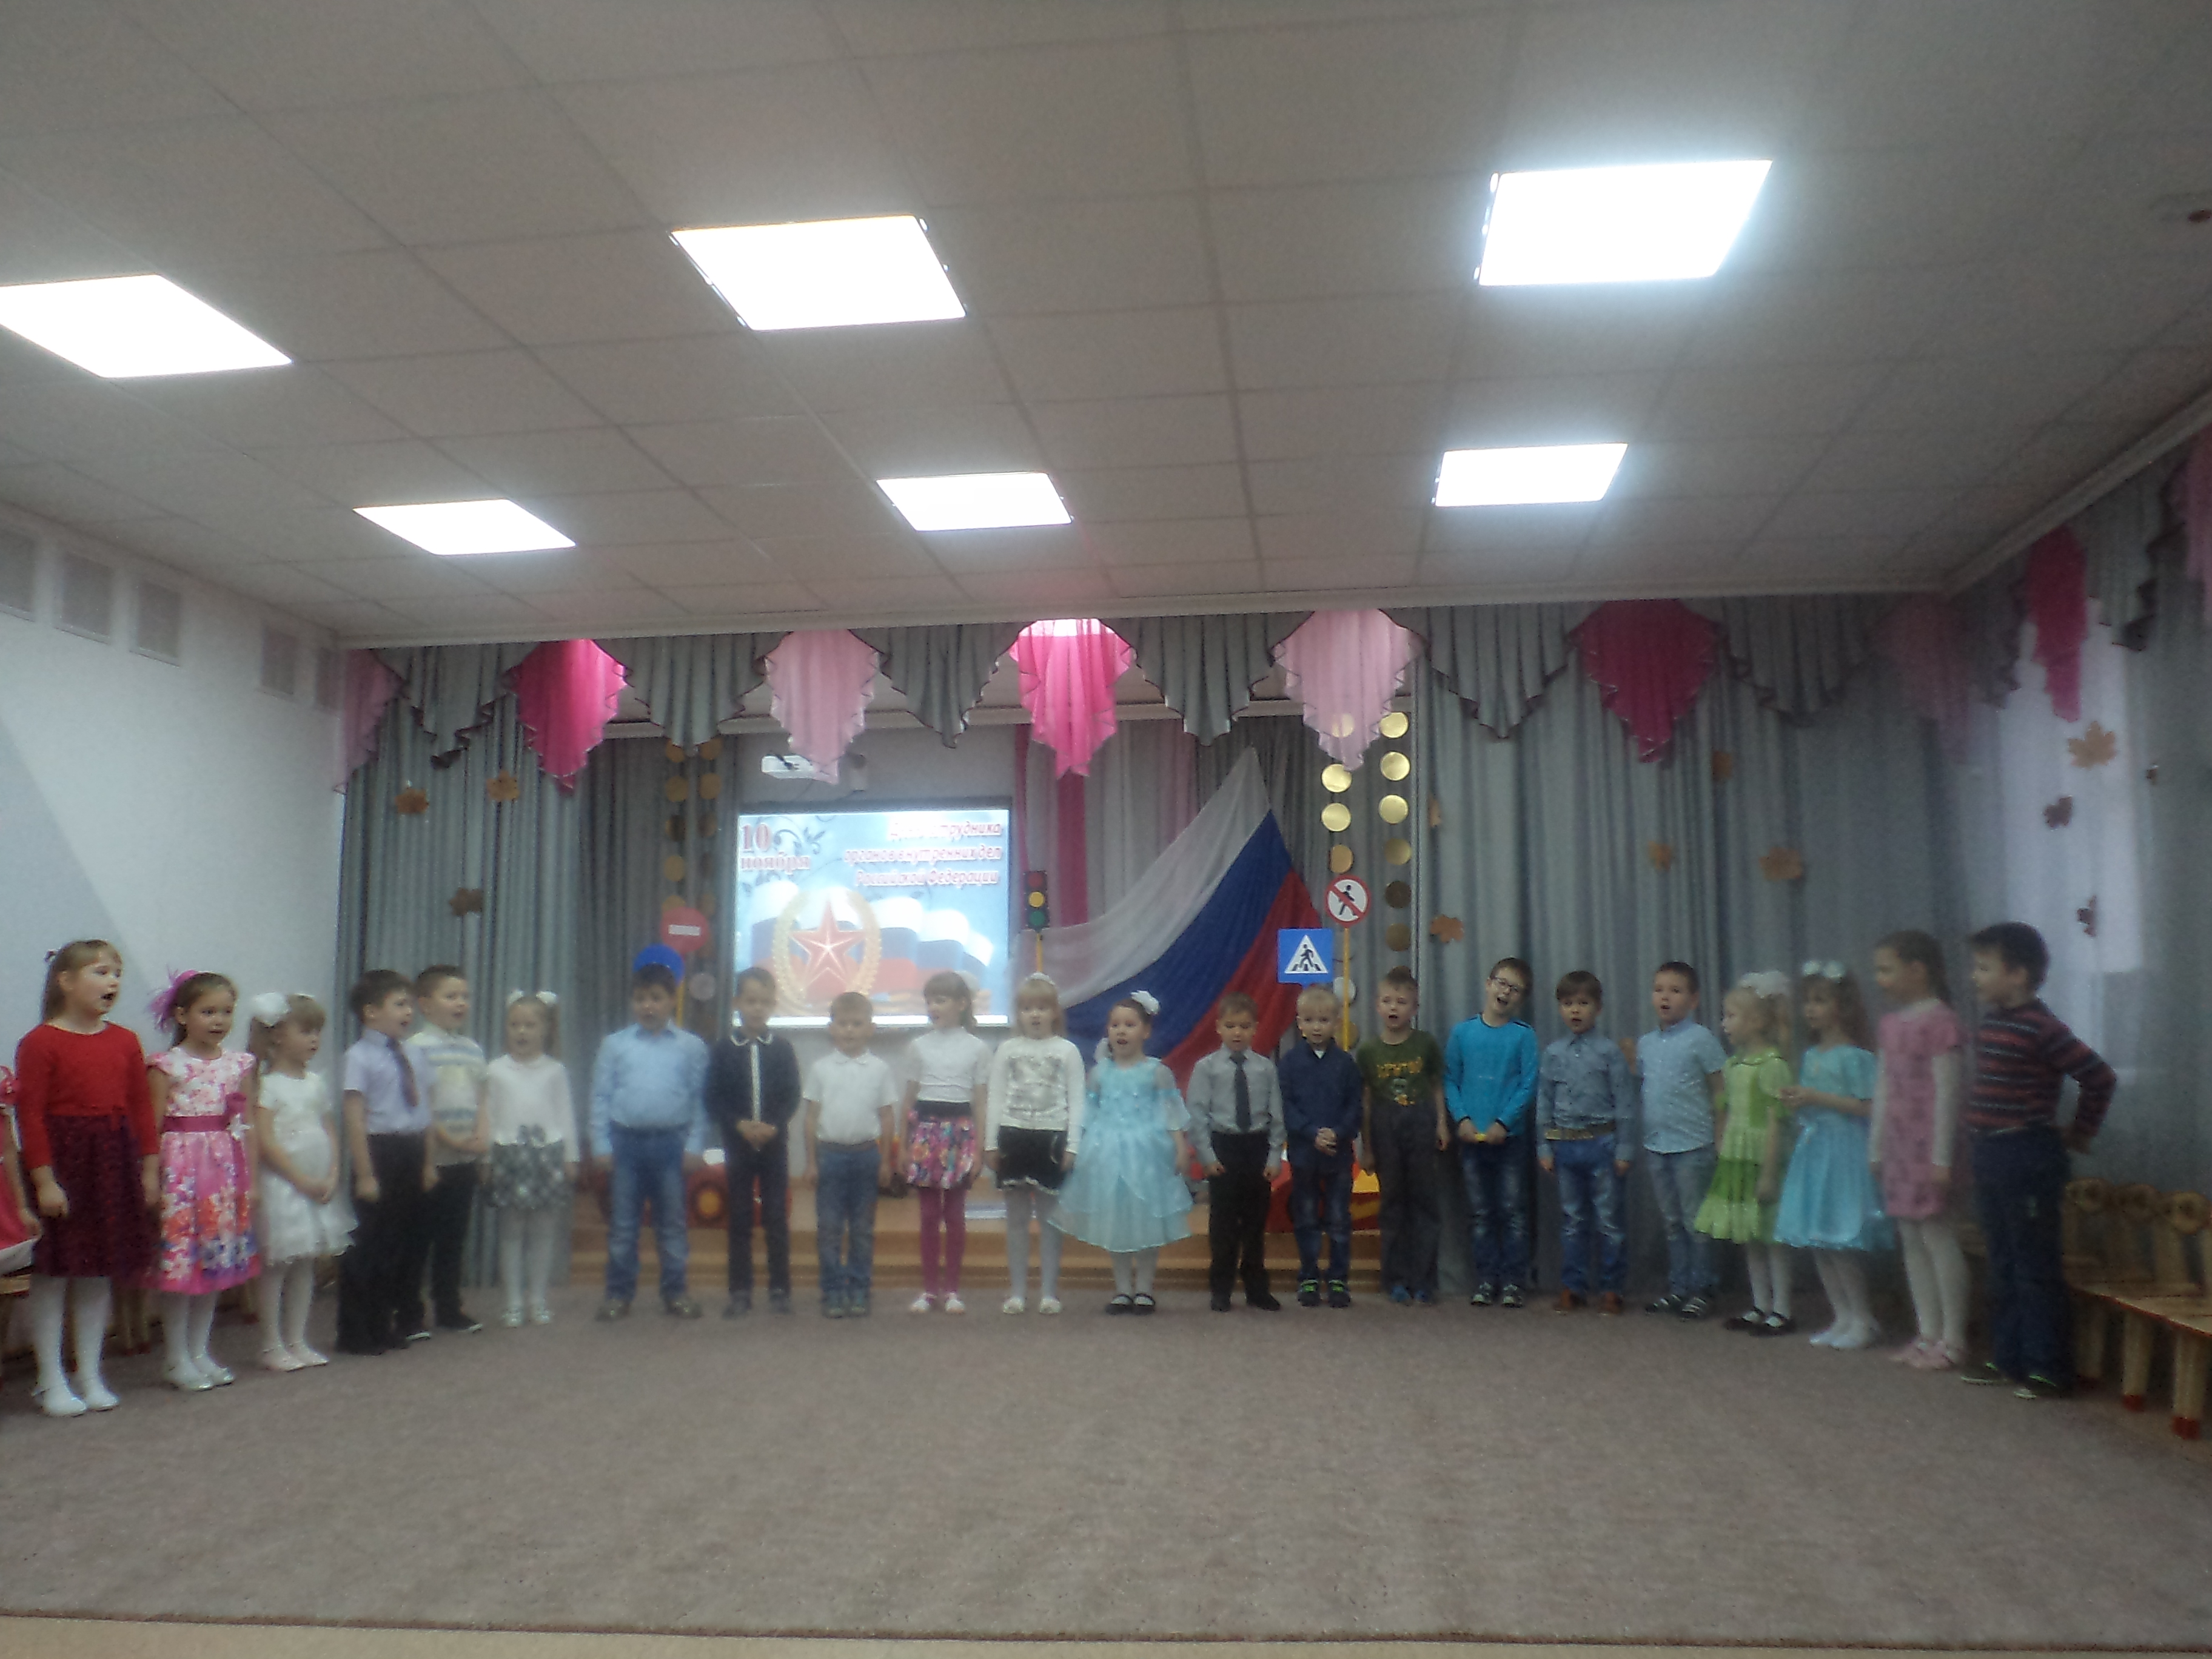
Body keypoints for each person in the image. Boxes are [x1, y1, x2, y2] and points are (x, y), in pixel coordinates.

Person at [1962, 922, 2116, 1401]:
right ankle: (2008, 1358)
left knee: (2034, 1266)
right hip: (1989, 1153)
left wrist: (2082, 1131)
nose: (1974, 976)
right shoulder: (1992, 1023)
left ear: (2018, 974)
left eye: (1984, 968)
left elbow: (2099, 1077)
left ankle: (2048, 1368)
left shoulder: (2043, 1027)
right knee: (2002, 1261)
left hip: (2027, 1155)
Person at [15, 940, 158, 1416]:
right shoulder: (40, 1042)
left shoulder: (125, 1041)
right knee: (55, 1273)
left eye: (116, 973)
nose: (113, 981)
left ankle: (90, 1373)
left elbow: (140, 1109)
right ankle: (50, 1378)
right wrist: (45, 1180)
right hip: (65, 1162)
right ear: (66, 981)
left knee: (98, 1271)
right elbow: (31, 1117)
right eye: (101, 972)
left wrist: (149, 1168)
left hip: (111, 1160)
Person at [145, 971, 261, 1390]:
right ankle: (176, 1357)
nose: (218, 1020)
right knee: (182, 1265)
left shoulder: (239, 1064)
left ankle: (199, 1350)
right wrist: (151, 1177)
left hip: (223, 1172)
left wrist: (251, 1179)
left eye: (226, 1012)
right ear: (182, 1015)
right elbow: (152, 1127)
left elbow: (248, 1123)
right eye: (208, 1011)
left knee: (213, 1262)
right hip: (181, 1172)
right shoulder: (166, 1065)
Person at [1866, 930, 1971, 1372]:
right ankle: (1927, 1332)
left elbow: (1949, 1094)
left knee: (1937, 1235)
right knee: (1910, 1237)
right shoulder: (1891, 1025)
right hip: (1899, 1147)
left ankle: (1953, 1338)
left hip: (1931, 1148)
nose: (1880, 979)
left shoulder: (1942, 1021)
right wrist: (1876, 1146)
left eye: (1886, 970)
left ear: (1917, 970)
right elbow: (1883, 1087)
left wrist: (1942, 1158)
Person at [1050, 992, 1192, 1314]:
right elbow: (1088, 1115)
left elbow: (1171, 1113)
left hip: (1148, 1154)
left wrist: (1180, 1147)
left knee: (1147, 1221)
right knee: (1116, 1221)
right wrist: (1077, 1148)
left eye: (1130, 1025)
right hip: (1108, 1153)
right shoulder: (1100, 1073)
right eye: (1115, 1025)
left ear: (1146, 1031)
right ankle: (1123, 1289)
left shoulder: (1157, 1071)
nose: (1121, 1031)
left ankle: (1145, 1289)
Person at [1772, 964, 1889, 1350]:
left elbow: (1869, 1107)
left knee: (1842, 1242)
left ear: (1843, 1006)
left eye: (1820, 1001)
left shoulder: (1855, 1057)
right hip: (1815, 1148)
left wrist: (1816, 1097)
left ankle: (1863, 1317)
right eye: (1807, 1001)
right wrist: (1798, 1102)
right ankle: (1842, 1316)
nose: (1810, 1009)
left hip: (1845, 1151)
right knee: (1819, 1241)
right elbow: (1813, 1105)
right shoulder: (1810, 1055)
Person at [589, 962, 709, 1321]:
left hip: (672, 1145)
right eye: (641, 999)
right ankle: (618, 1294)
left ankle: (676, 1292)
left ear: (672, 1000)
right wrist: (600, 1144)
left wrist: (695, 1145)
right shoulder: (614, 1045)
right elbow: (600, 1097)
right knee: (623, 1226)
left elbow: (701, 1100)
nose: (648, 1006)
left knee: (672, 1225)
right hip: (625, 1145)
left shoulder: (691, 1047)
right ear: (632, 1002)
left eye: (656, 998)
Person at [249, 992, 351, 1372]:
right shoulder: (268, 1086)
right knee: (278, 1264)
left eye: (317, 1032)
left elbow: (329, 1129)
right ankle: (271, 1344)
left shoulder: (315, 1082)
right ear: (277, 1036)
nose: (314, 1040)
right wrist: (298, 1179)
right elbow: (265, 1140)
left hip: (316, 1184)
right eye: (306, 1031)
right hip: (284, 1186)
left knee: (306, 1263)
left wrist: (333, 1172)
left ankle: (297, 1339)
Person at [336, 968, 437, 1356]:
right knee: (369, 1244)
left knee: (399, 1242)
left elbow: (425, 1112)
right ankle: (355, 1331)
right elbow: (354, 1116)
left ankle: (384, 1323)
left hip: (411, 1149)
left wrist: (428, 1163)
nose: (408, 1012)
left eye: (409, 1005)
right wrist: (365, 1173)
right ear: (371, 1012)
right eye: (400, 1004)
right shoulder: (358, 1057)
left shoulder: (415, 1053)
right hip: (378, 1152)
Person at [1695, 973, 1798, 1335]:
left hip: (1762, 1157)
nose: (1725, 1024)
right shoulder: (1733, 1065)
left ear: (1755, 1022)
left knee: (1771, 1235)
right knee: (1749, 1234)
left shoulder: (1773, 1065)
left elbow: (1776, 1121)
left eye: (1731, 1016)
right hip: (1737, 1157)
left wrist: (1769, 1171)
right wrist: (1721, 1141)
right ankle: (1760, 1304)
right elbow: (1724, 1108)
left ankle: (1782, 1309)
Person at [983, 973, 1086, 1316]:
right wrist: (991, 1143)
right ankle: (1017, 1292)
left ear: (1055, 1012)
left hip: (1051, 1138)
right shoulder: (1007, 1050)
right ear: (1019, 1014)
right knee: (1016, 1220)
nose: (1035, 1015)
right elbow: (995, 1096)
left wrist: (1073, 1146)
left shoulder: (1067, 1051)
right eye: (1028, 1008)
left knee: (1050, 1220)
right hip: (1013, 1137)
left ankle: (1049, 1292)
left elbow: (1077, 1101)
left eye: (1042, 1008)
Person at [1535, 970, 1635, 1314]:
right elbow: (1544, 1102)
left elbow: (1625, 1102)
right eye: (1568, 1004)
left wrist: (1624, 1148)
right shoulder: (1553, 1053)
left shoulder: (1610, 1053)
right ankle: (1573, 1287)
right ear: (1560, 1009)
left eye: (1583, 1003)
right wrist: (1544, 1146)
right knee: (1573, 1220)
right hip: (1565, 1146)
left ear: (1598, 1008)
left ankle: (1612, 1289)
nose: (1575, 1010)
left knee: (1609, 1220)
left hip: (1603, 1144)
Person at [704, 967, 800, 1317]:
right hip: (738, 1144)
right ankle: (740, 1290)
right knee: (740, 1216)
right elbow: (713, 1098)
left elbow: (792, 1095)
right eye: (751, 1001)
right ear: (737, 1003)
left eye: (764, 1002)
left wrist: (774, 1124)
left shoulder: (783, 1049)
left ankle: (780, 1289)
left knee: (776, 1216)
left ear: (773, 1005)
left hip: (774, 1145)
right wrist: (739, 1124)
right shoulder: (723, 1050)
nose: (757, 1008)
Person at [1636, 960, 1728, 1320]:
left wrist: (1720, 1135)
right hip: (1656, 1144)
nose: (1665, 997)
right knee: (1672, 1221)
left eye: (1675, 991)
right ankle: (1678, 1287)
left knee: (1695, 1221)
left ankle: (1702, 1288)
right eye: (1659, 990)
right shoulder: (1646, 1043)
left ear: (1693, 1000)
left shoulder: (1701, 1039)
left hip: (1693, 1145)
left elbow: (1720, 1089)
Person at [1446, 957, 1538, 1309]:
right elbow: (1450, 1079)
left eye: (1515, 989)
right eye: (1502, 983)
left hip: (1510, 1140)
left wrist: (1504, 1122)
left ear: (1522, 998)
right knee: (1481, 1213)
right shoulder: (1462, 1033)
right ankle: (1486, 1280)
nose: (1506, 992)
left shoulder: (1524, 1036)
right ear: (1488, 984)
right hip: (1471, 1141)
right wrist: (1462, 1119)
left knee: (1513, 1212)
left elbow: (1528, 1084)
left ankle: (1514, 1281)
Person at [1185, 991, 1284, 1313]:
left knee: (1255, 1224)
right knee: (1224, 1223)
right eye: (1231, 1026)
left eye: (1244, 1026)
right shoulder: (1207, 1068)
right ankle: (1221, 1288)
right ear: (1219, 1027)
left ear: (1255, 1028)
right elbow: (1197, 1115)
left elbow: (1276, 1116)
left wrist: (1273, 1156)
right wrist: (1207, 1156)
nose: (1237, 1032)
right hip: (1223, 1145)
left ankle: (1256, 1288)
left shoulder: (1265, 1068)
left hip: (1256, 1146)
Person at [802, 990, 899, 1318]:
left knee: (862, 1229)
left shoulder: (880, 1069)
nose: (849, 1030)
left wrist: (886, 1161)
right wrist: (811, 1162)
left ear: (870, 1028)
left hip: (866, 1157)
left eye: (857, 1024)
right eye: (843, 1024)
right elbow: (811, 1118)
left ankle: (859, 1290)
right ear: (832, 1028)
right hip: (830, 1156)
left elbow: (887, 1117)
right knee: (829, 1229)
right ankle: (832, 1291)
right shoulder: (820, 1069)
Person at [1356, 966, 1449, 1306]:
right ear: (1377, 1005)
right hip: (1385, 1127)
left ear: (1415, 1008)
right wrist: (1367, 1146)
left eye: (1401, 1001)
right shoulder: (1368, 1051)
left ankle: (1424, 1281)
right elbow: (1366, 1101)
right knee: (1392, 1204)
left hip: (1421, 1123)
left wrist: (1441, 1125)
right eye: (1387, 1001)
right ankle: (1395, 1279)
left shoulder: (1426, 1044)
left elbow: (1436, 1086)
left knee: (1424, 1203)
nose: (1394, 1007)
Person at [901, 971, 991, 1315]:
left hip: (960, 1134)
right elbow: (909, 1098)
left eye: (941, 1000)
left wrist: (980, 1148)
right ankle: (929, 1290)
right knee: (928, 1214)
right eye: (930, 1001)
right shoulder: (919, 1046)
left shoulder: (977, 1048)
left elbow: (980, 1101)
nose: (933, 1007)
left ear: (962, 1003)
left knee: (954, 1213)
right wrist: (904, 1144)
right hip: (926, 1133)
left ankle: (952, 1289)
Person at [484, 992, 575, 1327]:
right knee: (511, 1230)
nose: (521, 1032)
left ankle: (537, 1299)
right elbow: (488, 1117)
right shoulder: (495, 1070)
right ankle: (512, 1302)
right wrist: (486, 1159)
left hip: (547, 1156)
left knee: (544, 1231)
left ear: (546, 1029)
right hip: (508, 1155)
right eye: (514, 1025)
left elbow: (565, 1115)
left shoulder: (555, 1071)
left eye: (530, 1025)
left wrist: (571, 1157)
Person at [408, 965, 488, 1336]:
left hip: (464, 1159)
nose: (460, 1003)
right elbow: (419, 1106)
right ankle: (410, 1312)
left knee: (454, 1238)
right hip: (431, 1159)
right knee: (419, 1237)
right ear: (425, 1004)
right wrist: (451, 1140)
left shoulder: (473, 1050)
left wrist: (481, 1138)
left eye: (465, 996)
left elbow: (482, 1099)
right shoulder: (416, 1048)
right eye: (451, 996)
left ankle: (449, 1307)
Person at [1279, 985, 1364, 1309]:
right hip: (1304, 1156)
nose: (1317, 1027)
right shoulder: (1289, 1063)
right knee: (1306, 1218)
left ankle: (1339, 1278)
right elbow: (1286, 1106)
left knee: (1339, 1219)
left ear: (1336, 1023)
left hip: (1339, 1157)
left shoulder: (1346, 1064)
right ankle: (1309, 1276)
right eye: (1310, 1020)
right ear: (1299, 1023)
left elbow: (1355, 1107)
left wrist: (1338, 1134)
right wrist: (1311, 1133)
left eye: (1324, 1020)